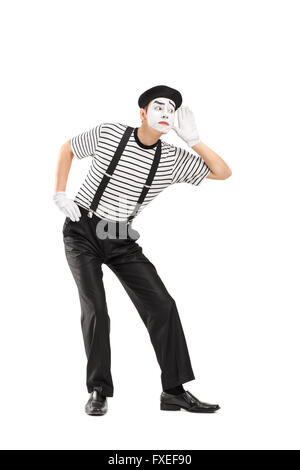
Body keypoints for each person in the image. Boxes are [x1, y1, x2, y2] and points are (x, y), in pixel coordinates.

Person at [53, 85, 232, 416]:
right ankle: (98, 391)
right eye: (158, 106)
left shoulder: (173, 159)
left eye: (171, 109)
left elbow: (223, 172)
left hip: (120, 236)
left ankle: (174, 392)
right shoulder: (109, 133)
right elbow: (68, 149)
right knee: (96, 309)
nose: (165, 112)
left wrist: (194, 141)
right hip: (82, 230)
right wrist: (61, 192)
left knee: (162, 305)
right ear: (142, 113)